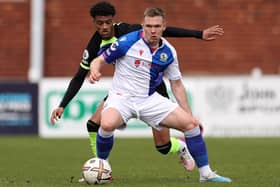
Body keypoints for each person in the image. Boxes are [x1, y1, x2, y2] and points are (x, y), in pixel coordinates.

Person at [50, 1, 224, 172]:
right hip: (123, 92)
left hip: (152, 91)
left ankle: (181, 148)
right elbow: (80, 76)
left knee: (163, 146)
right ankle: (101, 168)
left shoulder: (127, 31)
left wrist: (199, 34)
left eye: (108, 22)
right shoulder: (94, 44)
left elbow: (163, 31)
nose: (104, 26)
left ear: (113, 20)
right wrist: (62, 104)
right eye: (99, 23)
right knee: (95, 124)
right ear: (93, 23)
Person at [89, 7, 232, 183]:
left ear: (164, 26)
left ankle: (206, 173)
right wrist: (95, 69)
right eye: (148, 26)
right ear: (143, 26)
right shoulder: (127, 42)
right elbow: (100, 60)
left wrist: (188, 113)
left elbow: (177, 85)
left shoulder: (169, 52)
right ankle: (102, 167)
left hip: (149, 99)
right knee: (107, 123)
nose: (153, 30)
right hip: (121, 97)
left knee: (191, 124)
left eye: (157, 26)